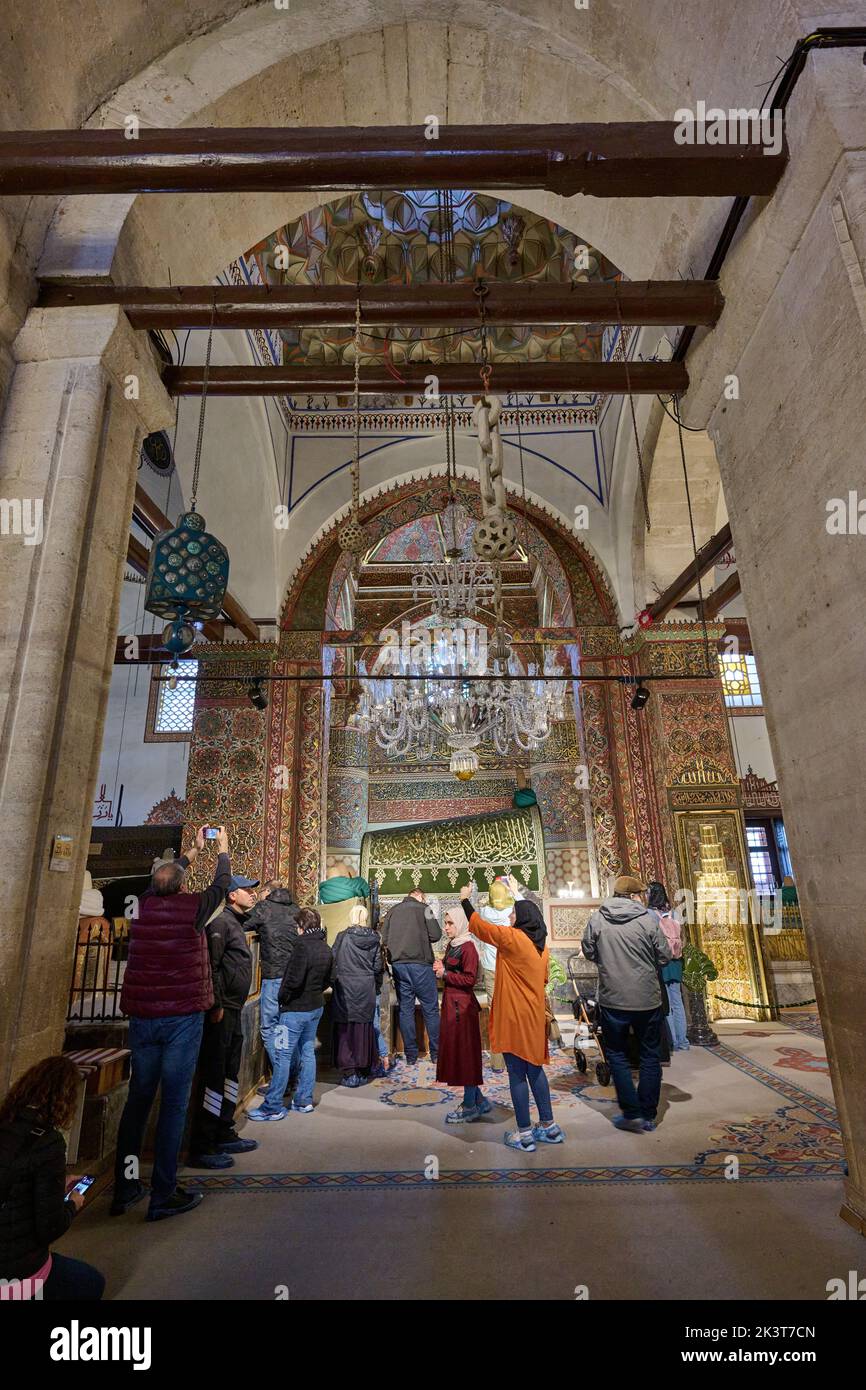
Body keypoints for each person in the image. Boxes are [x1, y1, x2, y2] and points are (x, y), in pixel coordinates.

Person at [113, 825, 231, 1222]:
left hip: (143, 1019)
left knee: (138, 1102)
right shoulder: (192, 909)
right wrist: (222, 851)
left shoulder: (142, 907)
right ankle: (163, 1193)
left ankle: (126, 1186)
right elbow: (221, 886)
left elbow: (160, 883)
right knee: (174, 1105)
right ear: (182, 888)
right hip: (180, 1019)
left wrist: (189, 854)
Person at [459, 885, 564, 1152]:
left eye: (513, 915)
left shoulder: (514, 939)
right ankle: (549, 1126)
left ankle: (525, 1134)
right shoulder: (541, 949)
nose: (509, 918)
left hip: (515, 1017)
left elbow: (482, 929)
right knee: (535, 1070)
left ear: (523, 919)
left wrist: (465, 901)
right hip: (533, 1016)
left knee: (516, 1074)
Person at [0, 1056, 105, 1300]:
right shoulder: (49, 1144)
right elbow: (49, 1227)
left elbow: (16, 1181)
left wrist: (58, 1182)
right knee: (93, 1283)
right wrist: (73, 1204)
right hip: (15, 1275)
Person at [581, 874, 672, 1133]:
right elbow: (664, 955)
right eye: (641, 894)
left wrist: (608, 962)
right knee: (649, 1057)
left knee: (617, 1055)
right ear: (633, 896)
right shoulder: (647, 920)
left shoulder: (598, 919)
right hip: (647, 1000)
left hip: (613, 1000)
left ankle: (631, 1113)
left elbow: (588, 950)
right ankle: (648, 1115)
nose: (643, 898)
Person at [188, 873, 261, 1168]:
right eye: (247, 890)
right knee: (215, 1076)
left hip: (234, 1008)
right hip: (223, 1010)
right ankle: (204, 1143)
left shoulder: (235, 924)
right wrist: (216, 1003)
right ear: (232, 895)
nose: (252, 894)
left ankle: (224, 1128)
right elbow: (212, 967)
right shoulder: (220, 924)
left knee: (230, 1072)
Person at [247, 908, 333, 1120]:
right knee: (307, 1052)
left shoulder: (302, 947)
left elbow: (292, 981)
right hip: (315, 1008)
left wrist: (283, 999)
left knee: (283, 1054)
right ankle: (304, 1101)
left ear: (301, 926)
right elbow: (330, 978)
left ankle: (273, 1105)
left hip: (294, 1012)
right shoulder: (325, 947)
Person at [434, 907, 491, 1123]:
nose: (445, 927)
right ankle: (479, 1100)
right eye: (445, 923)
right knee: (459, 1053)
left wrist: (445, 973)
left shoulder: (468, 948)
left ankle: (469, 1106)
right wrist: (442, 968)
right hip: (452, 1005)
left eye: (449, 923)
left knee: (465, 1054)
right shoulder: (453, 945)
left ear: (460, 924)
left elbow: (470, 980)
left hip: (462, 1009)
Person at [246, 881, 301, 1085]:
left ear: (268, 892)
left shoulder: (264, 907)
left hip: (273, 977)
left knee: (271, 1026)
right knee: (286, 1028)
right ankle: (291, 1074)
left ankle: (282, 1076)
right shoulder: (296, 909)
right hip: (294, 977)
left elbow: (244, 926)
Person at [381, 889, 442, 1066]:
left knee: (405, 1010)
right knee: (430, 1009)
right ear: (421, 897)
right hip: (421, 966)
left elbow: (384, 939)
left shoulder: (392, 911)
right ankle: (436, 1054)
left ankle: (411, 1055)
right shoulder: (425, 908)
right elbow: (436, 935)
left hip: (399, 967)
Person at [331, 905, 384, 1087]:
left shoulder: (342, 936)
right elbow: (378, 967)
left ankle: (349, 1072)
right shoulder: (374, 938)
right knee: (363, 1028)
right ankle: (362, 1071)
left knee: (346, 1028)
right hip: (365, 987)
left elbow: (333, 958)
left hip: (345, 986)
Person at [468, 879, 511, 1072]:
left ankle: (497, 1061)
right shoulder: (512, 912)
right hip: (509, 968)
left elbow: (475, 913)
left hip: (491, 969)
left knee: (495, 1012)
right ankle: (516, 1056)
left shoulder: (485, 913)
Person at [647, 880, 688, 1051]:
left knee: (667, 1004)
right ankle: (683, 1041)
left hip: (661, 962)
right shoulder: (674, 913)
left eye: (648, 892)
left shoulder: (650, 914)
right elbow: (683, 938)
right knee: (677, 1002)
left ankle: (671, 1042)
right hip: (676, 961)